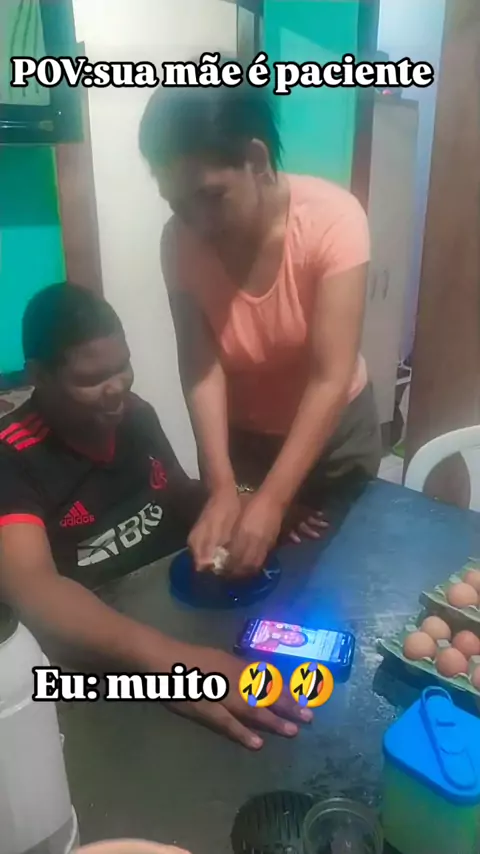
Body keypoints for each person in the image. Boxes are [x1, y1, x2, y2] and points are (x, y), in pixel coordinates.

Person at [0, 283, 311, 749]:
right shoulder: (12, 457)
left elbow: (176, 493)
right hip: (93, 669)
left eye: (122, 367)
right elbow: (35, 591)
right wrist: (173, 667)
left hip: (179, 617)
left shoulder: (133, 415)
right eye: (91, 379)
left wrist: (254, 507)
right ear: (39, 376)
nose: (116, 390)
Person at [139, 80, 381, 578]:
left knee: (337, 579)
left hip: (331, 440)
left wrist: (272, 500)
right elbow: (201, 367)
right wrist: (222, 486)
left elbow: (330, 377)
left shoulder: (333, 220)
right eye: (177, 203)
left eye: (211, 196)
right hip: (245, 442)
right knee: (246, 583)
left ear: (256, 158)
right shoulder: (178, 241)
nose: (197, 221)